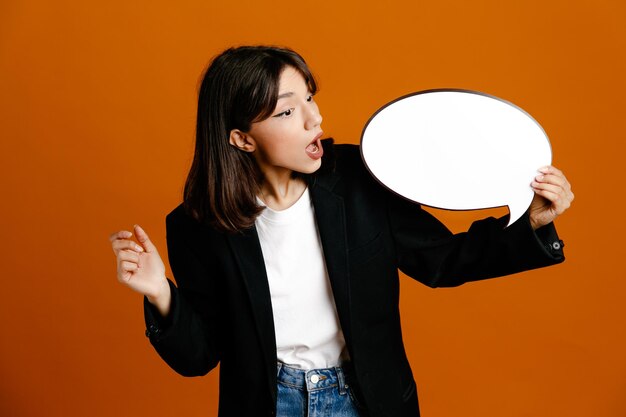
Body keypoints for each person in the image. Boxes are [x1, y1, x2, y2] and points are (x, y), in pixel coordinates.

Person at [109, 46, 574, 417]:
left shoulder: (357, 179)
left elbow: (441, 260)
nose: (315, 119)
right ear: (242, 138)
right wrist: (159, 293)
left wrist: (532, 223)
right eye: (286, 112)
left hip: (367, 398)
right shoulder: (197, 224)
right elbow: (200, 356)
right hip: (270, 403)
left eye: (309, 98)